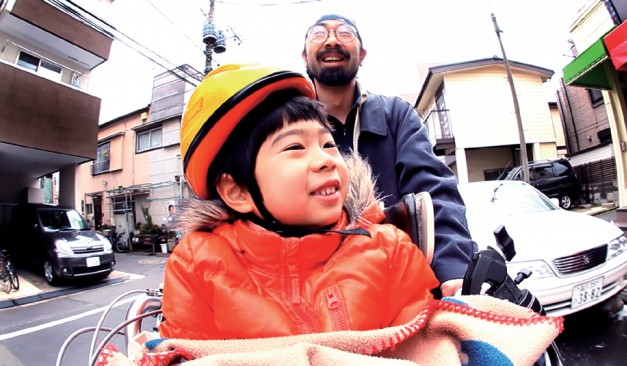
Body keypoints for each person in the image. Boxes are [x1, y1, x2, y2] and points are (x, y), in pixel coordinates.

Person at [158, 63, 439, 340]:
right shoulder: (197, 264)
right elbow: (188, 352)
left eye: (328, 144)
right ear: (238, 191)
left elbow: (424, 346)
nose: (325, 160)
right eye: (295, 147)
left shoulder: (389, 249)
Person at [302, 14, 476, 297]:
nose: (332, 40)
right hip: (318, 296)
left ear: (363, 54)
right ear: (304, 55)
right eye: (319, 34)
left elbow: (433, 192)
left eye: (345, 33)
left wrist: (454, 271)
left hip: (402, 291)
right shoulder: (288, 127)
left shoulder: (396, 115)